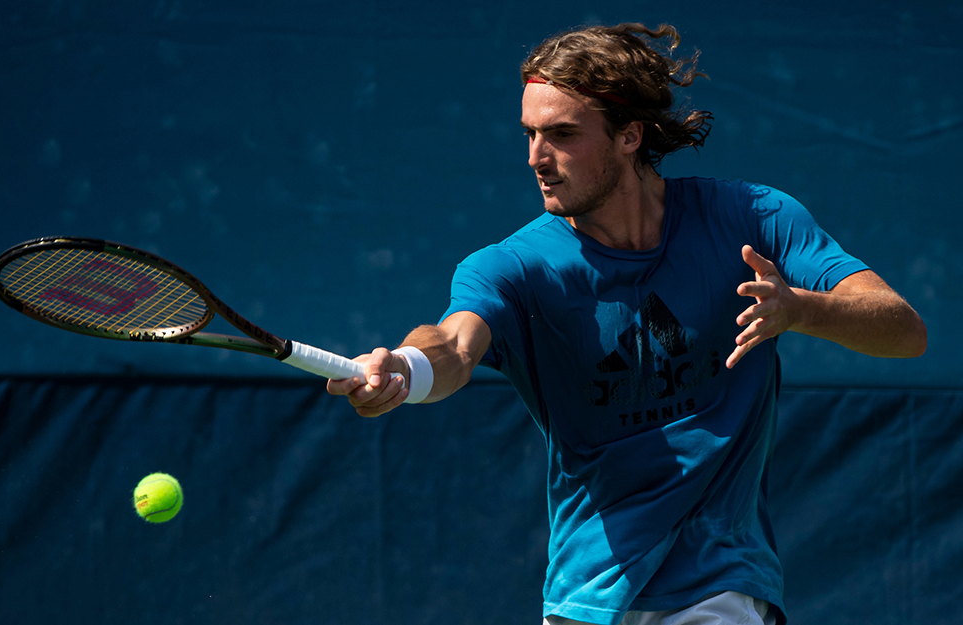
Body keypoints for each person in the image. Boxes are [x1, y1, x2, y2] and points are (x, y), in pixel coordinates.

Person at [327, 22, 927, 625]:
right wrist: (404, 366)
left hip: (719, 582)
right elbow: (453, 345)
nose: (536, 157)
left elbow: (903, 330)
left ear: (629, 136)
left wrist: (801, 308)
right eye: (530, 134)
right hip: (586, 595)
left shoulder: (753, 218)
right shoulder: (511, 267)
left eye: (562, 135)